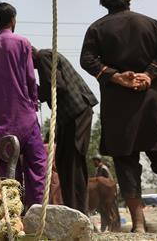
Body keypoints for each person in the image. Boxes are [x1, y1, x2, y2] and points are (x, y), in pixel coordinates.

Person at [80, 0, 157, 234]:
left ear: (104, 3)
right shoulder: (150, 24)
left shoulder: (97, 28)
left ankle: (139, 225)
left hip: (118, 108)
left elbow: (87, 60)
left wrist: (114, 76)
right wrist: (149, 75)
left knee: (126, 163)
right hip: (151, 104)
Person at [0, 2, 47, 211]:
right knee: (37, 165)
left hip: (1, 116)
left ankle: (13, 214)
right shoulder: (22, 43)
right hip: (25, 114)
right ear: (13, 20)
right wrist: (33, 99)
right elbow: (30, 77)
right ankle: (35, 210)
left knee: (8, 170)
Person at [33, 47, 97, 215]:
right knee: (65, 161)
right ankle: (76, 209)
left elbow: (56, 85)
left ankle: (77, 211)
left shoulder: (42, 57)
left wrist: (31, 91)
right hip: (73, 114)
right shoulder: (46, 55)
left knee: (71, 162)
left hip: (75, 113)